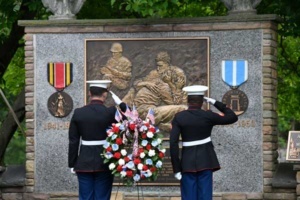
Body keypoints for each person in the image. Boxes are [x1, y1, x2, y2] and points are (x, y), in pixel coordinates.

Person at [169, 85, 238, 200]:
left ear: (188, 101)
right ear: (202, 101)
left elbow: (173, 143)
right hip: (206, 161)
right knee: (205, 196)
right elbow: (232, 117)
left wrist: (176, 169)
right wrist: (214, 102)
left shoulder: (179, 117)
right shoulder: (208, 116)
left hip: (187, 163)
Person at [68, 80, 126, 200]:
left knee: (85, 197)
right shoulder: (110, 112)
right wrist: (120, 103)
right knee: (102, 197)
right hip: (104, 161)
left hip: (83, 162)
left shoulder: (78, 113)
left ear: (90, 93)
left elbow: (73, 140)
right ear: (105, 95)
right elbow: (131, 117)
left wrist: (72, 163)